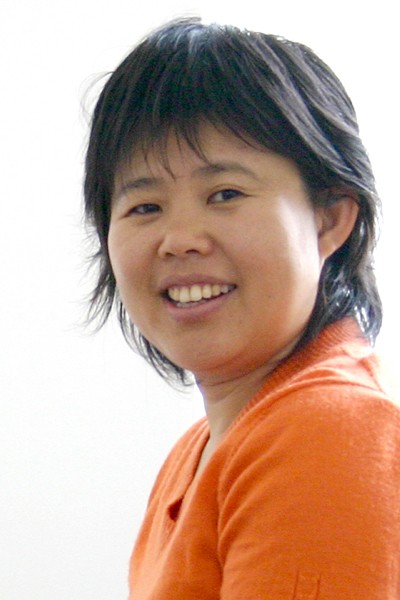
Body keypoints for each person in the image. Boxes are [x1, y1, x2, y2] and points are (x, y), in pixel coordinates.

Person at [84, 17, 400, 599]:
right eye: (144, 206)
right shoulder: (201, 450)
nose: (180, 239)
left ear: (330, 218)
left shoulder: (327, 430)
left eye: (224, 194)